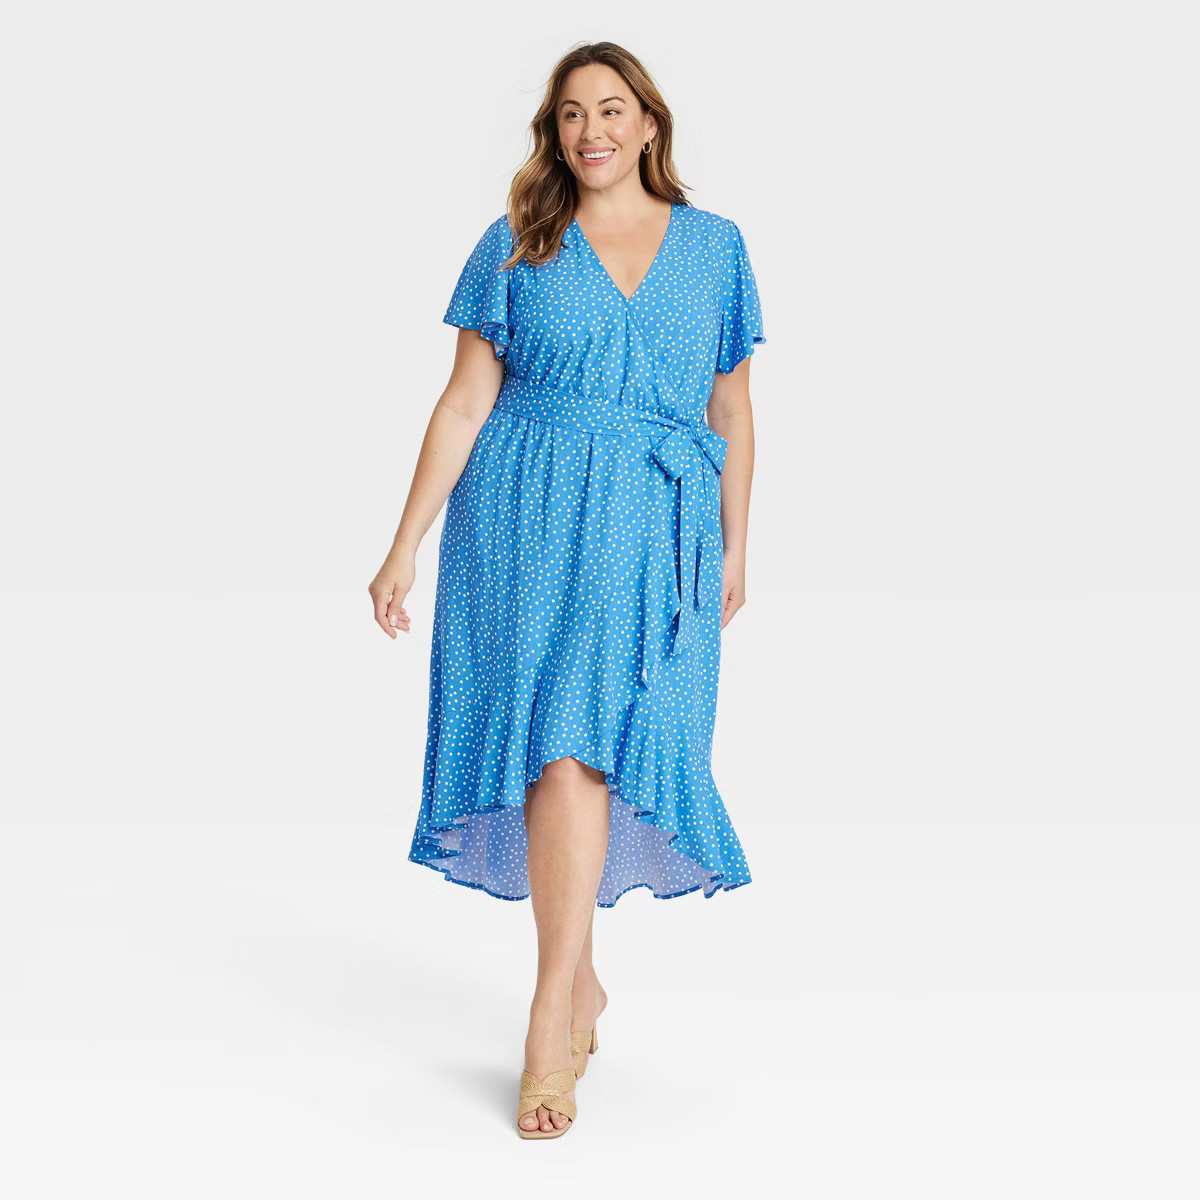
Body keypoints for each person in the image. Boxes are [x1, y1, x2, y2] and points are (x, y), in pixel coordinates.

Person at [368, 41, 766, 1139]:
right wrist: (404, 543)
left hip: (657, 533)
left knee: (595, 750)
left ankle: (574, 984)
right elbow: (463, 403)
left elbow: (733, 412)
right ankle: (557, 1009)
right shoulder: (517, 241)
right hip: (525, 522)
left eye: (612, 109)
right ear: (553, 132)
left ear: (649, 124)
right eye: (572, 114)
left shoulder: (717, 248)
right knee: (559, 751)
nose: (592, 130)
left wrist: (735, 549)